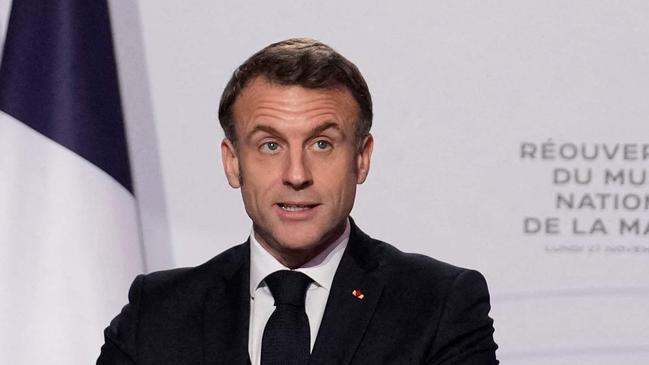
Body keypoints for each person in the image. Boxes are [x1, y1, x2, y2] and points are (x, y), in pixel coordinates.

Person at [97, 38, 499, 365]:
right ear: (233, 162)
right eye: (270, 145)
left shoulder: (438, 304)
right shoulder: (159, 311)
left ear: (361, 158)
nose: (296, 174)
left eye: (321, 144)